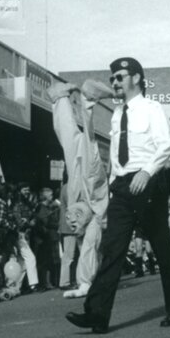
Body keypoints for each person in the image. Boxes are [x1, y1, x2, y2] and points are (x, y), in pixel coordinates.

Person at [65, 57, 170, 333]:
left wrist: (147, 172)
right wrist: (111, 187)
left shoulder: (151, 108)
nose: (114, 83)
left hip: (147, 183)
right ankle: (97, 314)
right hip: (121, 186)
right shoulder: (118, 113)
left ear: (136, 78)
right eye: (112, 79)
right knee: (111, 250)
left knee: (162, 248)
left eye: (119, 77)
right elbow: (116, 157)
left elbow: (166, 145)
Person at [48, 79, 109, 300]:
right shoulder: (94, 222)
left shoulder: (90, 223)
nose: (72, 224)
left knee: (74, 141)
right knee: (83, 142)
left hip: (86, 191)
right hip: (91, 192)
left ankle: (63, 99)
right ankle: (82, 101)